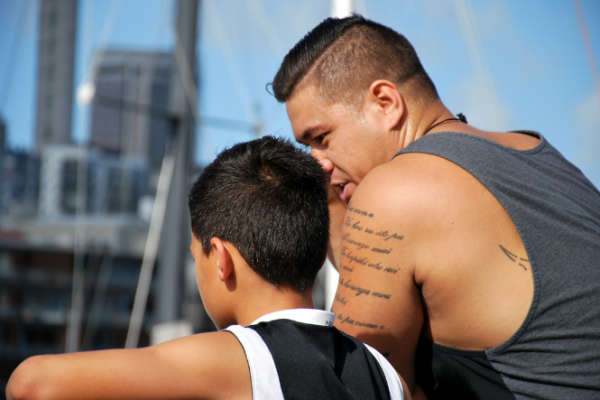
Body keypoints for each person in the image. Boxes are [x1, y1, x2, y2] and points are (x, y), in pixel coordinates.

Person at [272, 14, 600, 400]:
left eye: (322, 137)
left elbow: (353, 387)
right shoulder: (536, 152)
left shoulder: (398, 188)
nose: (317, 162)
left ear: (385, 103)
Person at [6, 136, 409, 400]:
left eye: (192, 253)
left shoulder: (238, 358)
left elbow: (31, 384)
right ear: (320, 256)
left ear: (220, 258)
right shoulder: (387, 376)